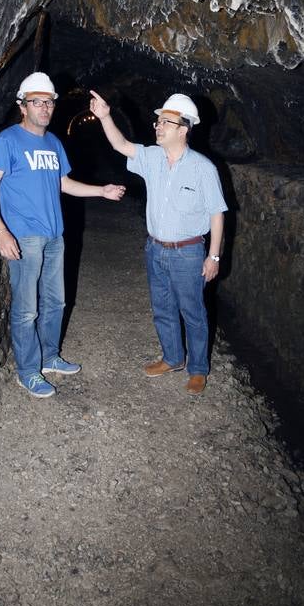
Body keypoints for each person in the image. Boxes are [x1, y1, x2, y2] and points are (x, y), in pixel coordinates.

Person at [0, 72, 125, 399]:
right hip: (24, 237)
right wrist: (1, 232)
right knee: (26, 309)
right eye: (37, 102)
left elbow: (63, 183)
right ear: (23, 106)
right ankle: (28, 371)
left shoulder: (54, 143)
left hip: (54, 235)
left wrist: (101, 191)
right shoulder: (8, 141)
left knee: (56, 301)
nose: (44, 107)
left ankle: (49, 356)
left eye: (49, 102)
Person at [89, 89, 227, 394]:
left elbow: (217, 213)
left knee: (193, 312)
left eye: (165, 122)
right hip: (155, 248)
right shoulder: (151, 157)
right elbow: (121, 145)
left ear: (184, 129)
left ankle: (198, 370)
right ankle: (173, 358)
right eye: (158, 121)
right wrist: (105, 117)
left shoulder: (203, 168)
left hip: (188, 252)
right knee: (162, 308)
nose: (158, 126)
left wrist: (214, 256)